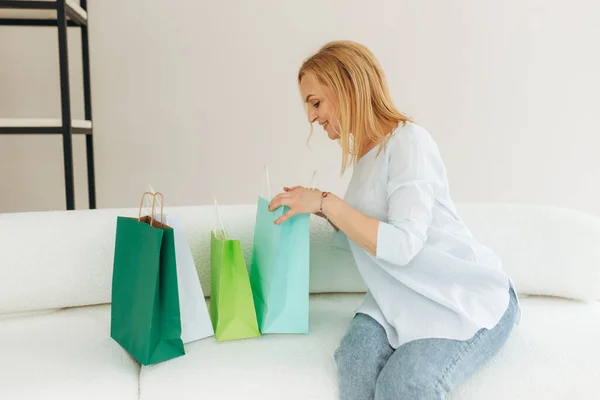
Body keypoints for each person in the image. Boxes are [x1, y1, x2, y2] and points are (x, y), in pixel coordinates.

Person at [267, 40, 521, 400]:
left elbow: (402, 245)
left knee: (404, 384)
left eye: (316, 102)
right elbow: (370, 233)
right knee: (354, 359)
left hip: (461, 294)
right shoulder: (368, 156)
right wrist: (316, 204)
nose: (311, 117)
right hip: (402, 292)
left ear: (346, 88)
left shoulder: (410, 142)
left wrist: (327, 202)